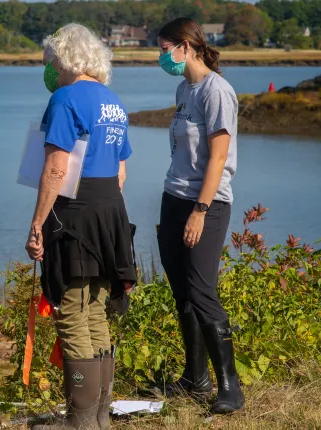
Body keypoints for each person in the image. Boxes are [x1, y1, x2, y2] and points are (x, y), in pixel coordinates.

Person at [27, 23, 136, 430]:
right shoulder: (113, 101)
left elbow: (56, 169)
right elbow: (121, 172)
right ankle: (100, 416)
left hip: (74, 213)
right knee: (95, 312)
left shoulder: (65, 98)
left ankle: (79, 420)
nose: (48, 70)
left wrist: (38, 224)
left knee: (72, 312)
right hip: (110, 212)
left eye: (50, 61)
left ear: (65, 59)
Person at [155, 17, 244, 414]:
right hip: (173, 197)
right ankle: (195, 378)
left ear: (186, 47)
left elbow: (218, 158)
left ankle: (230, 388)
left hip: (206, 204)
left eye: (164, 49)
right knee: (182, 291)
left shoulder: (216, 91)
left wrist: (201, 210)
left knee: (202, 290)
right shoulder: (184, 88)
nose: (161, 57)